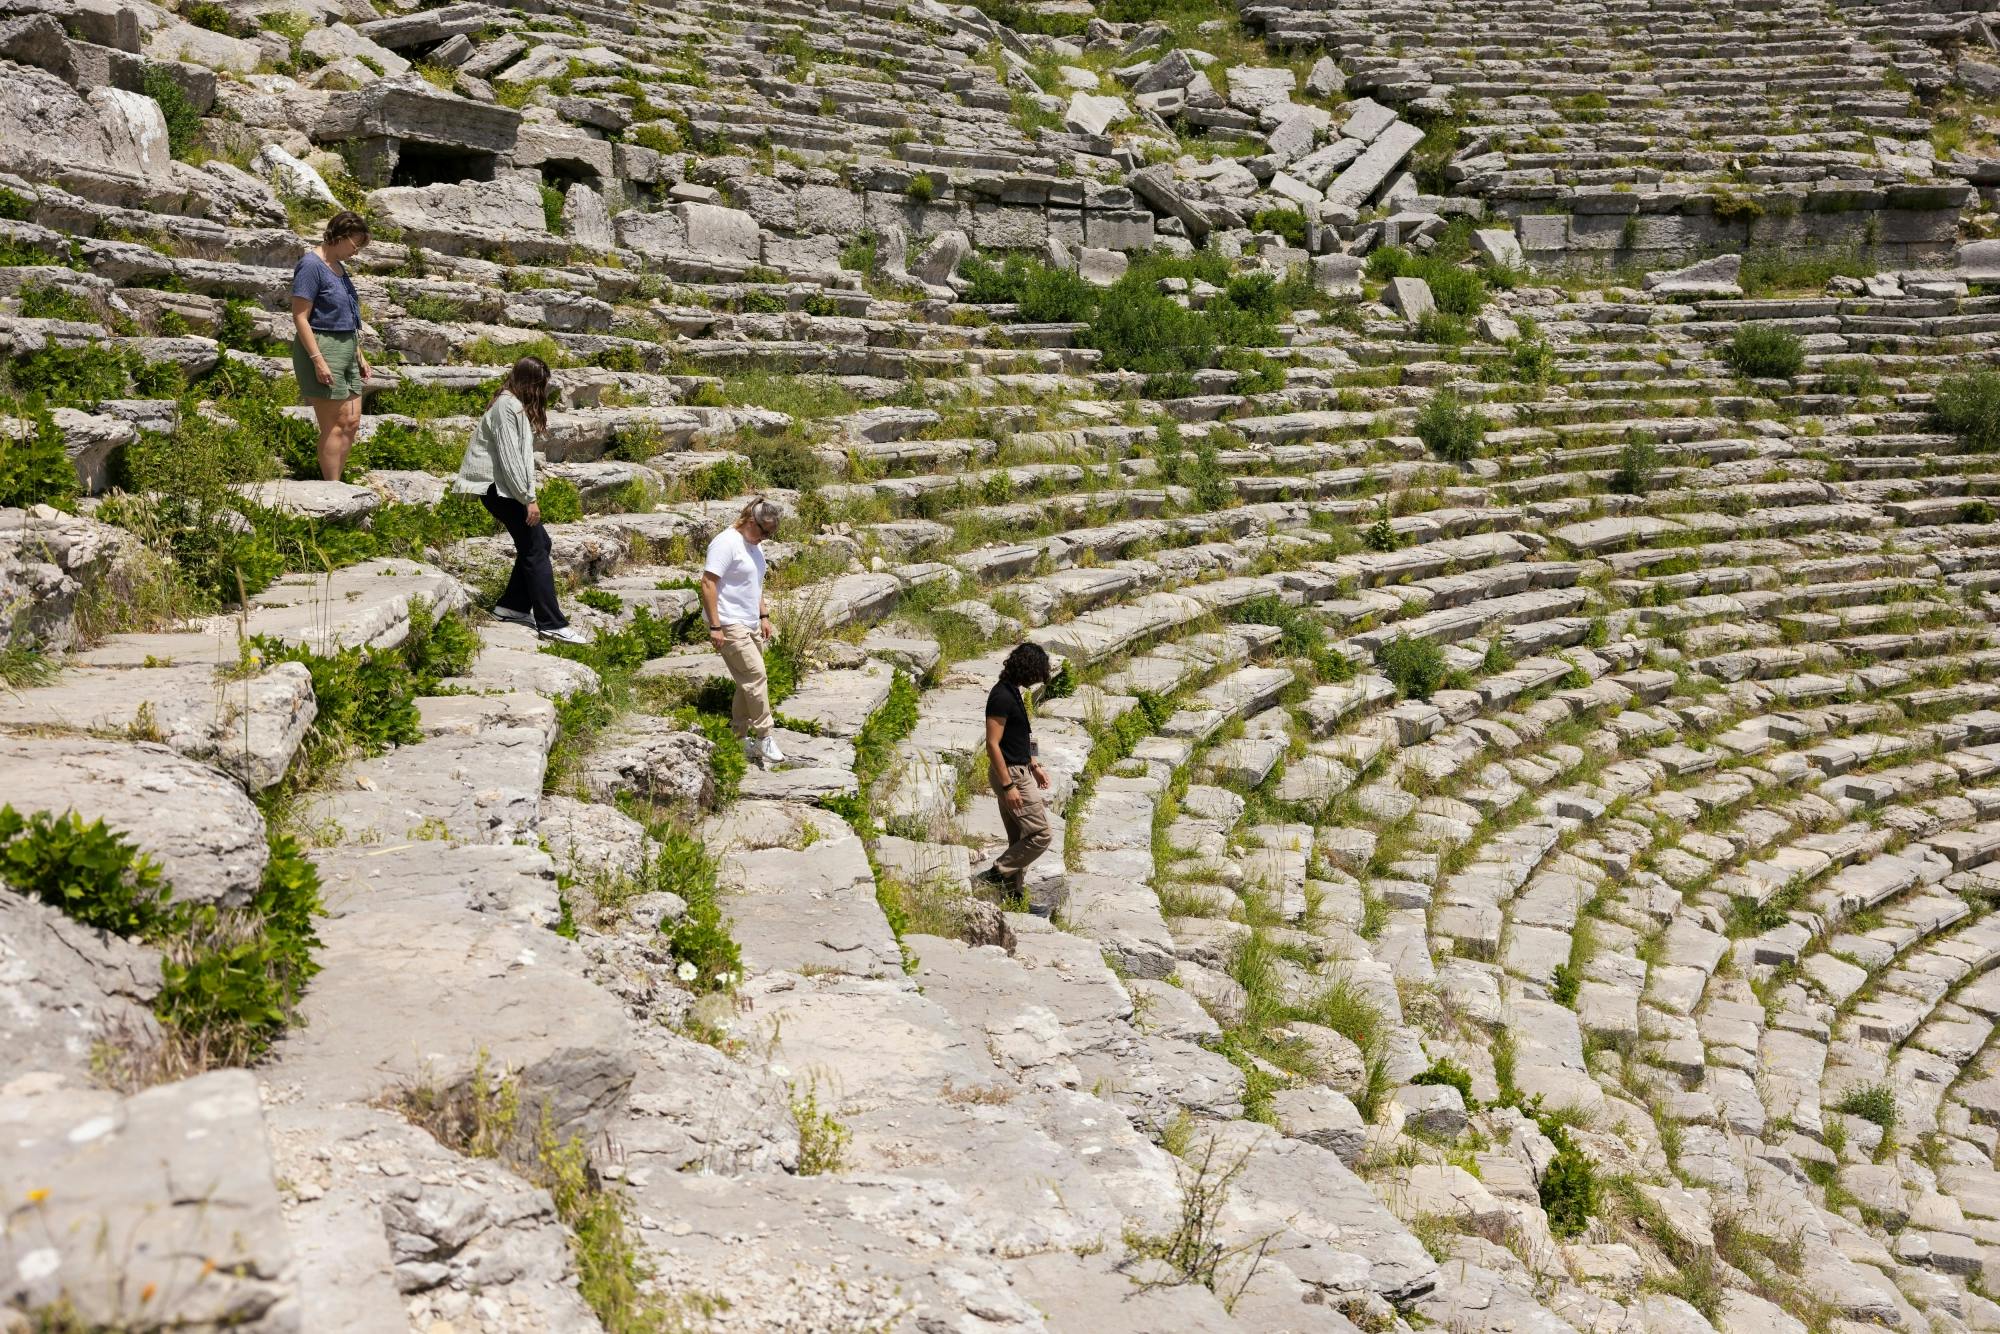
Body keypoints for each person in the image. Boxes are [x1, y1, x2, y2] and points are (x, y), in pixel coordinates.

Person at [452, 356, 587, 645]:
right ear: (530, 383)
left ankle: (511, 607)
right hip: (498, 490)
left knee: (539, 543)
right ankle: (551, 623)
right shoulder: (506, 406)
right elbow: (510, 458)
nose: (543, 391)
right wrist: (528, 499)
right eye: (541, 385)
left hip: (505, 489)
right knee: (535, 547)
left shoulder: (511, 404)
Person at [702, 498, 786, 766]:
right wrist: (715, 626)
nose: (765, 538)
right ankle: (765, 736)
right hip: (728, 623)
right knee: (756, 676)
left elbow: (755, 583)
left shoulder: (754, 545)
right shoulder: (726, 543)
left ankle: (738, 737)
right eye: (764, 532)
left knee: (746, 681)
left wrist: (763, 615)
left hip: (750, 622)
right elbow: (708, 583)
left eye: (770, 534)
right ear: (751, 521)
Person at [290, 211, 372, 481]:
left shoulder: (338, 266)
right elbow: (300, 316)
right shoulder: (311, 265)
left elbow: (344, 315)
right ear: (340, 236)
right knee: (334, 425)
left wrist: (359, 354)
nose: (356, 252)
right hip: (324, 347)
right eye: (355, 244)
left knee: (351, 422)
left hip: (347, 347)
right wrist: (318, 360)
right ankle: (332, 486)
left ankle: (336, 480)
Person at [977, 642, 1054, 898]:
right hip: (1011, 775)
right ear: (1027, 669)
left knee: (1020, 837)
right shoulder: (1001, 696)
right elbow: (992, 744)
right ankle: (996, 874)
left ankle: (1013, 895)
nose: (1038, 679)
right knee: (1040, 834)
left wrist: (1035, 764)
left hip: (1021, 770)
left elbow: (1025, 735)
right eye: (1037, 673)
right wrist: (1008, 785)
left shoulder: (1014, 692)